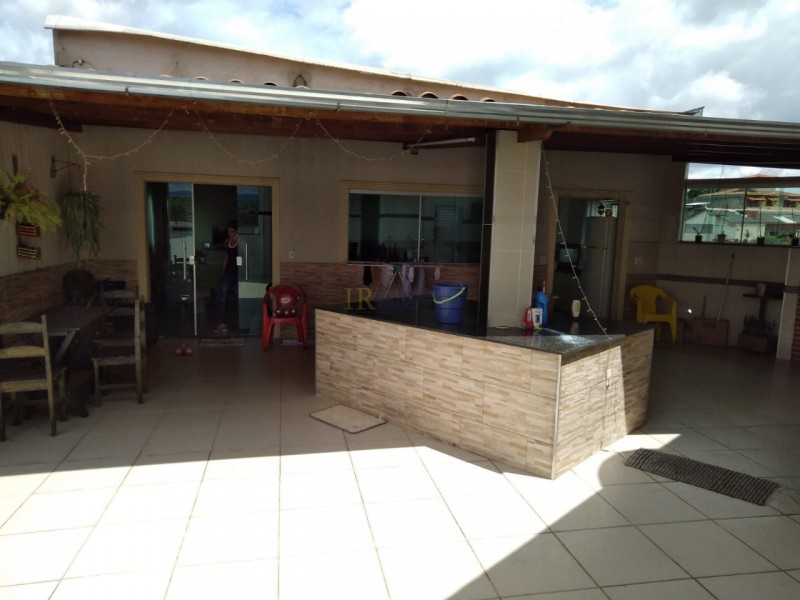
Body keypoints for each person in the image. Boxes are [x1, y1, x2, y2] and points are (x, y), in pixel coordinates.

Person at [213, 219, 239, 334]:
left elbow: (246, 257)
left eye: (232, 231)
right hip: (228, 272)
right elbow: (226, 258)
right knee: (222, 296)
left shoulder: (241, 242)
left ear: (236, 231)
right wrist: (222, 273)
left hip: (239, 272)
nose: (230, 233)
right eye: (229, 231)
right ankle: (222, 324)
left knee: (240, 297)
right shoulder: (227, 242)